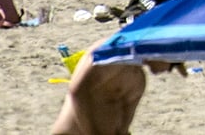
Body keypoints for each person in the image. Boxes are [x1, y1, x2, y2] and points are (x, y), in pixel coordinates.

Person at [50, 57, 182, 135]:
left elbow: (124, 127)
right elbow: (77, 92)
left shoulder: (139, 80)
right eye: (173, 64)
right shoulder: (113, 57)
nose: (169, 70)